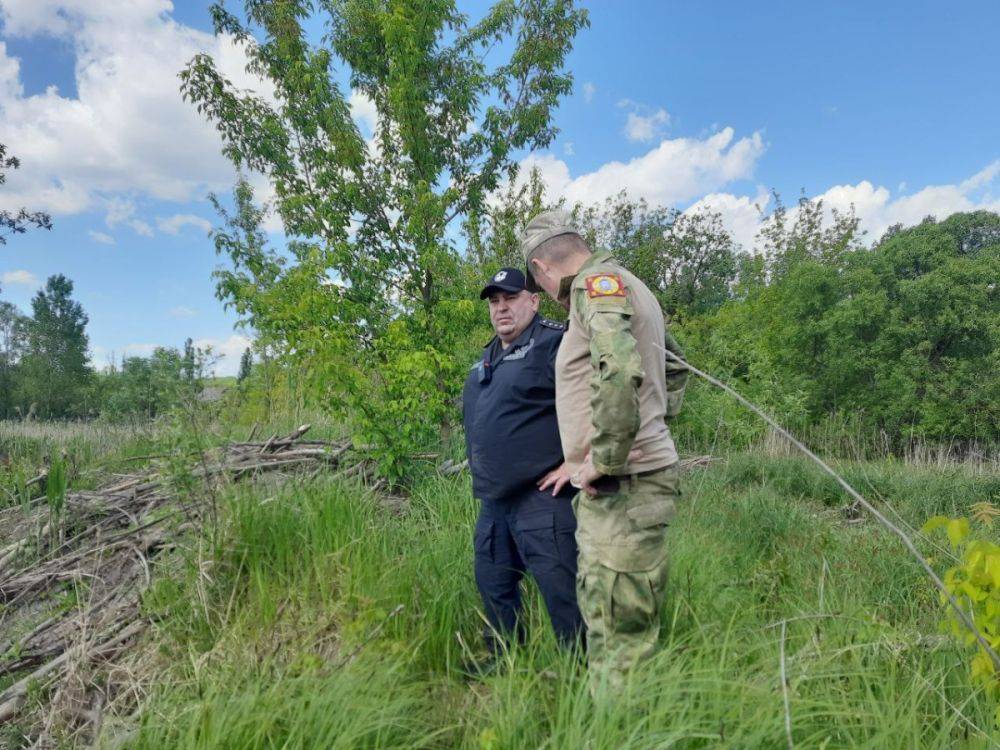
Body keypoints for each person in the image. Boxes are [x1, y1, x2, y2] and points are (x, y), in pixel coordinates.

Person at [518, 209, 688, 690]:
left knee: (619, 640)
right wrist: (653, 423)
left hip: (623, 485)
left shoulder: (595, 288)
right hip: (629, 481)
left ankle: (615, 733)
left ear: (542, 270)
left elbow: (617, 369)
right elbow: (674, 365)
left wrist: (607, 457)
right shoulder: (631, 285)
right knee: (616, 620)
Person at [461, 267, 584, 668]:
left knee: (560, 591)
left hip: (542, 497)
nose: (501, 308)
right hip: (495, 502)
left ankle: (580, 678)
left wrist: (577, 461)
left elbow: (601, 396)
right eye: (495, 302)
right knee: (494, 585)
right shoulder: (487, 357)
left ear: (533, 300)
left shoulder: (556, 343)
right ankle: (503, 664)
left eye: (510, 298)